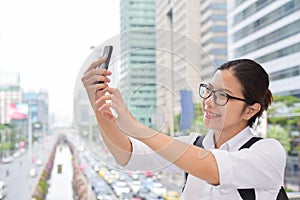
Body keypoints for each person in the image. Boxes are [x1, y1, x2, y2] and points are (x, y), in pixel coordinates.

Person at [82, 58, 286, 199]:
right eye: (209, 90)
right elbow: (128, 155)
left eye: (222, 95)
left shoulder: (268, 153)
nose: (208, 102)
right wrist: (98, 103)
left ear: (250, 110)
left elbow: (213, 169)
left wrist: (136, 127)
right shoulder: (194, 145)